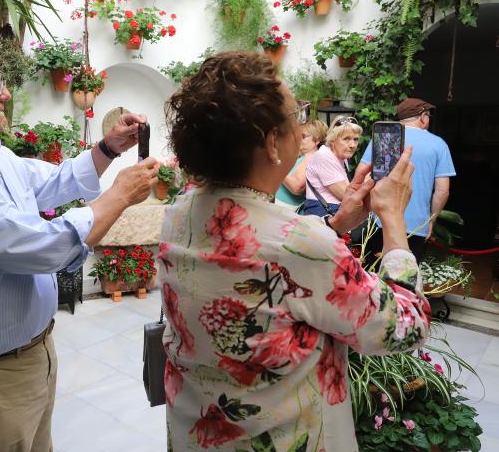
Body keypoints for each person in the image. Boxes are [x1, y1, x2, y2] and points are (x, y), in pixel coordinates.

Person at [159, 51, 430, 451]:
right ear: (272, 142)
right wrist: (392, 220)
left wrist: (336, 225)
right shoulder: (299, 242)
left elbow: (256, 247)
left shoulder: (177, 214)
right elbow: (402, 326)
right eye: (297, 116)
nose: (301, 126)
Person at [0, 37, 158, 452]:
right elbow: (43, 248)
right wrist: (119, 196)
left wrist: (108, 147)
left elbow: (54, 181)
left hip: (31, 355)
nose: (6, 95)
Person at [358, 97, 456, 260]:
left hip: (380, 219)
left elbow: (361, 175)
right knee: (404, 279)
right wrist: (431, 220)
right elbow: (442, 190)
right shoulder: (438, 144)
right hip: (416, 225)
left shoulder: (386, 139)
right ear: (423, 118)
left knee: (373, 276)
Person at [300, 115, 362, 216]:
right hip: (322, 215)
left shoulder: (341, 157)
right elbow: (346, 196)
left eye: (355, 139)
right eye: (346, 139)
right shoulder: (324, 156)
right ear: (333, 140)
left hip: (333, 211)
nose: (352, 145)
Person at [275, 117, 328, 209]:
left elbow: (297, 187)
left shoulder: (311, 157)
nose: (298, 139)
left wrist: (277, 166)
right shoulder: (307, 156)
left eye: (303, 136)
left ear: (317, 140)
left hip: (285, 207)